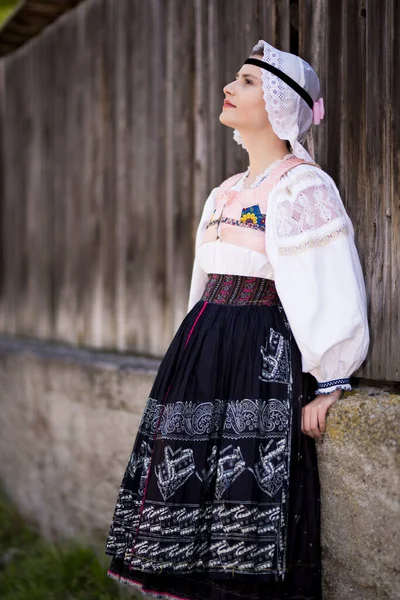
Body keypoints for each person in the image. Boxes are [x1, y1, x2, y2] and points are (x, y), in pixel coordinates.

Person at [104, 39, 369, 600]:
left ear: (279, 102)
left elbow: (327, 282)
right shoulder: (224, 192)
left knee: (244, 479)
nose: (229, 87)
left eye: (247, 81)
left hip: (257, 348)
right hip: (202, 344)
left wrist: (330, 379)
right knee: (190, 477)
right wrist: (188, 352)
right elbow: (202, 283)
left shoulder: (302, 186)